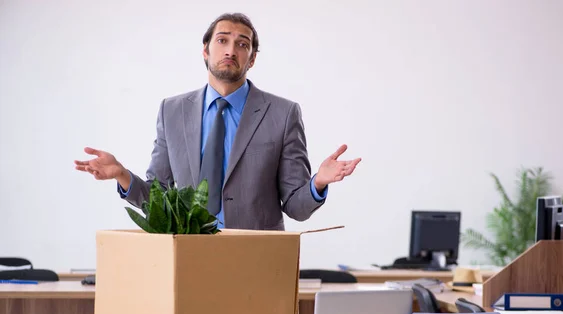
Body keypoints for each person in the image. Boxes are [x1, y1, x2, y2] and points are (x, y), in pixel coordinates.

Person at [75, 12, 361, 230]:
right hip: (190, 256)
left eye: (242, 44)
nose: (230, 50)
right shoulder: (172, 111)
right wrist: (122, 174)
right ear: (205, 50)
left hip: (258, 261)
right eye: (222, 40)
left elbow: (297, 208)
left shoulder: (282, 114)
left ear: (251, 59)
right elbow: (158, 198)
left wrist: (318, 183)